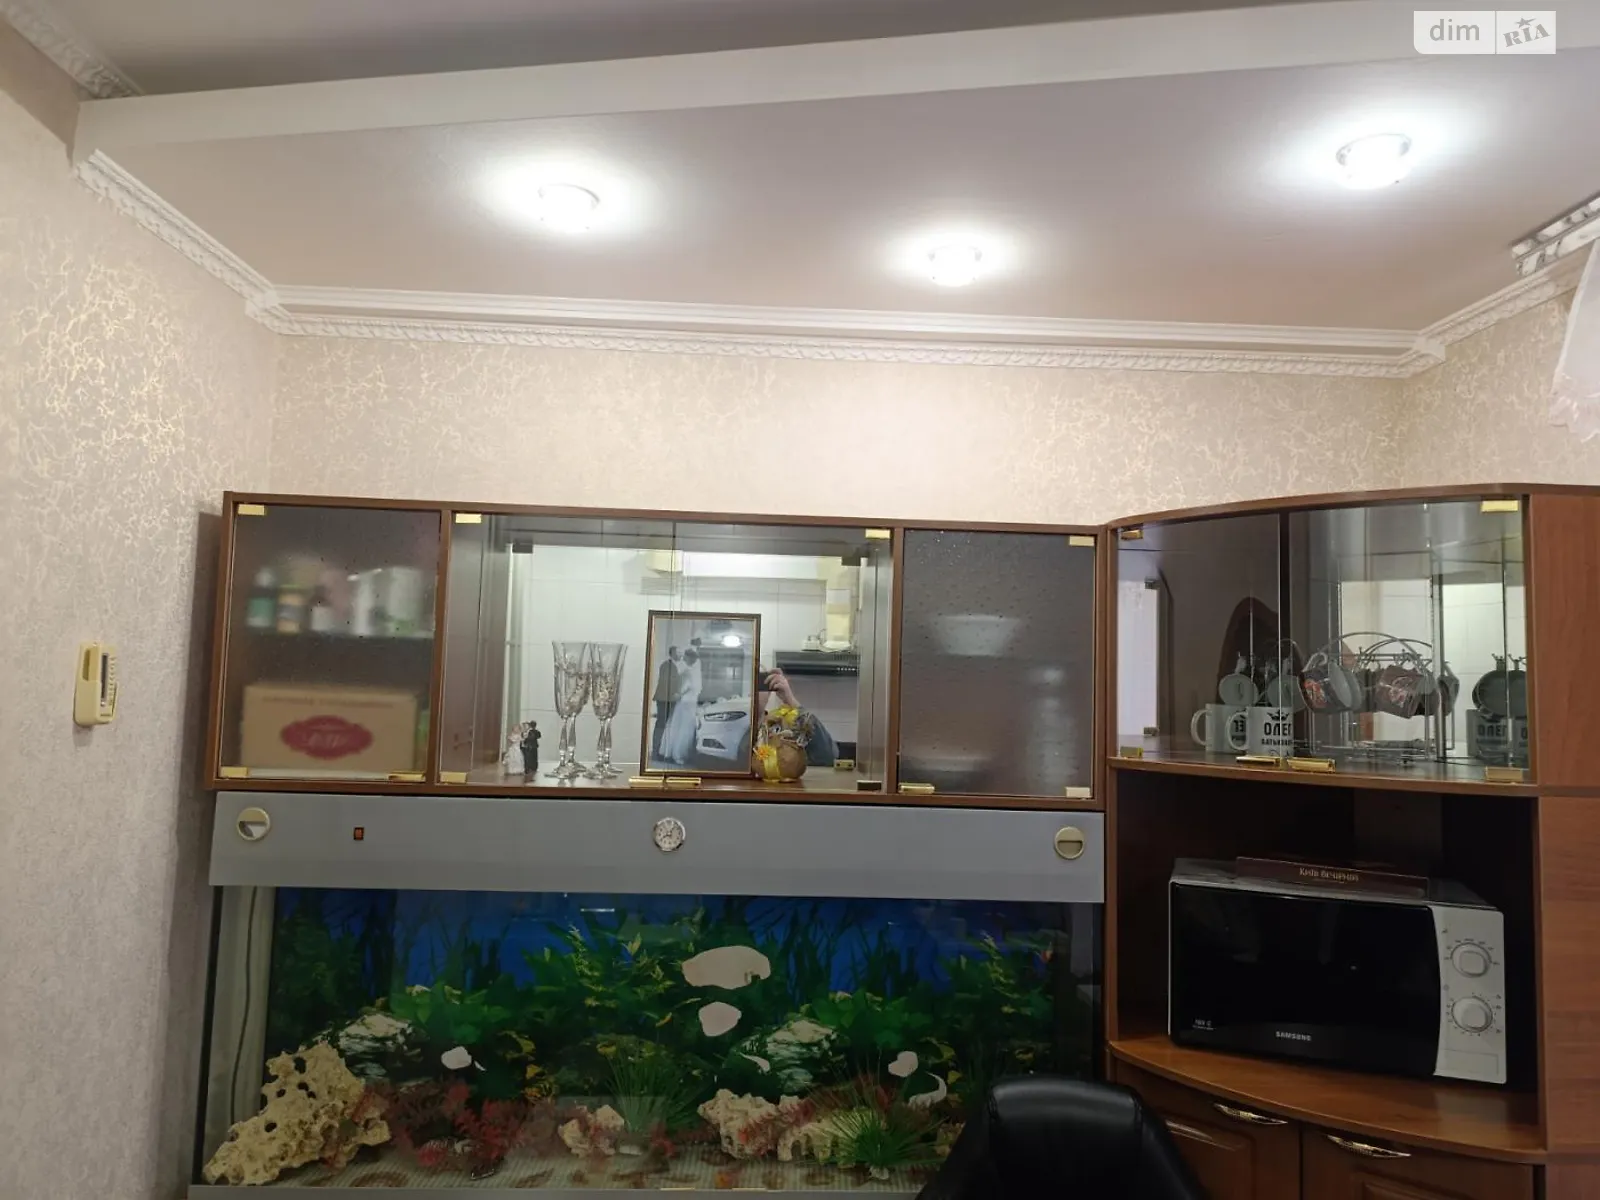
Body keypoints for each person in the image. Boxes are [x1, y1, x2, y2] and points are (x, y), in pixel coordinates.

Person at [753, 667, 838, 766]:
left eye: (758, 683)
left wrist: (791, 701)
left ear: (769, 689)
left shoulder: (784, 728)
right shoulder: (739, 729)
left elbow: (828, 756)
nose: (752, 690)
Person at [659, 647, 702, 765]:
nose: (693, 660)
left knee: (679, 725)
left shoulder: (688, 669)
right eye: (692, 658)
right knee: (683, 727)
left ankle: (672, 753)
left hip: (689, 700)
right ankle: (677, 754)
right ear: (688, 658)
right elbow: (687, 686)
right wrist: (680, 694)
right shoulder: (688, 670)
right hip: (687, 701)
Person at [650, 646, 681, 761]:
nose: (680, 655)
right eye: (678, 653)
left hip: (670, 699)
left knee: (666, 725)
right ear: (672, 653)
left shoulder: (676, 666)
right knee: (661, 725)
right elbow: (665, 682)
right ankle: (655, 752)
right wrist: (674, 693)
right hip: (664, 699)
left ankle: (662, 751)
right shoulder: (666, 665)